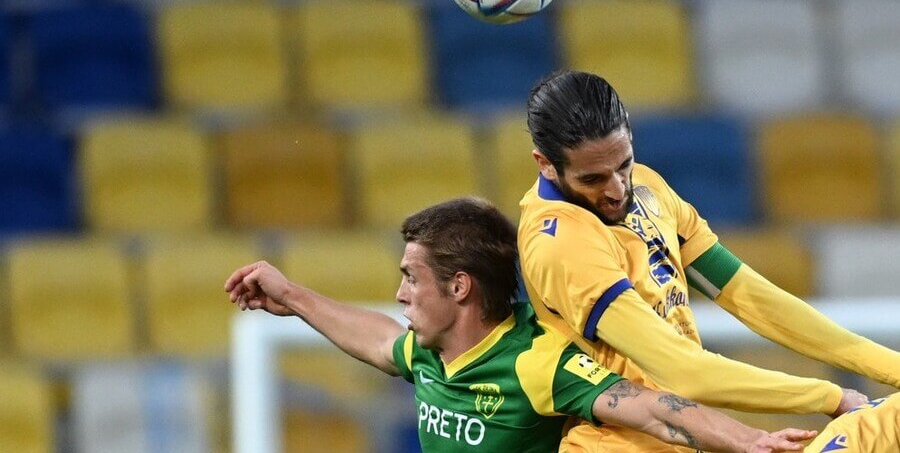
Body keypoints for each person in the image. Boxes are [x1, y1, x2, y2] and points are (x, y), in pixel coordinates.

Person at [225, 197, 815, 453]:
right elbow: (378, 340)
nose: (400, 293)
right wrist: (293, 296)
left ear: (460, 288)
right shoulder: (430, 351)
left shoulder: (537, 361)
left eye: (411, 277)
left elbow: (653, 410)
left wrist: (752, 441)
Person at [518, 69, 900, 452]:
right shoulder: (559, 242)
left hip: (687, 440)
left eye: (623, 165)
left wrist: (888, 366)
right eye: (593, 179)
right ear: (546, 163)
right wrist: (828, 396)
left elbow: (751, 296)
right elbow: (684, 371)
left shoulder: (648, 187)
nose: (617, 189)